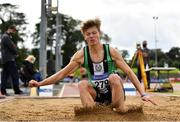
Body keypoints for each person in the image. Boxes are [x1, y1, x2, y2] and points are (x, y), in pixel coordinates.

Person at [29, 18, 156, 113]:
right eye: (88, 34)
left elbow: (129, 72)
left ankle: (120, 109)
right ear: (84, 36)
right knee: (82, 84)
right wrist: (40, 84)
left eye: (94, 33)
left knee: (114, 78)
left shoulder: (111, 51)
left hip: (114, 93)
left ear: (99, 33)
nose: (91, 36)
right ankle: (93, 113)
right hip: (97, 95)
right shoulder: (80, 55)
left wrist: (143, 93)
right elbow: (62, 73)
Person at [0, 25, 23, 95]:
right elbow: (11, 46)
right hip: (9, 59)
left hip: (5, 59)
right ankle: (17, 90)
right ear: (10, 29)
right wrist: (17, 53)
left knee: (5, 75)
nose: (13, 32)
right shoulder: (6, 37)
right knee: (15, 75)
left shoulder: (4, 37)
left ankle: (3, 91)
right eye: (13, 31)